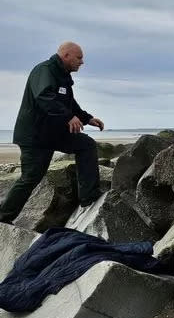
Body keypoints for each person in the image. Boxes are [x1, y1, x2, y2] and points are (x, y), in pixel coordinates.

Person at [0, 42, 104, 223]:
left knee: (86, 145)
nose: (82, 62)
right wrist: (67, 117)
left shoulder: (62, 76)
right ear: (66, 55)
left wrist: (87, 119)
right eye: (79, 58)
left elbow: (69, 103)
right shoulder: (44, 70)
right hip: (35, 136)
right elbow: (44, 96)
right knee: (30, 178)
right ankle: (3, 218)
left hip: (54, 134)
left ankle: (89, 196)